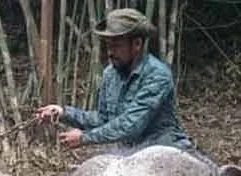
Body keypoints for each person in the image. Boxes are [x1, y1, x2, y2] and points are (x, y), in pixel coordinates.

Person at [32, 8, 196, 153]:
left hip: (164, 150)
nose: (110, 52)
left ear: (137, 44)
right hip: (129, 153)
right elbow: (103, 119)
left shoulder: (158, 75)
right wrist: (62, 112)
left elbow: (130, 125)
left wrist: (85, 138)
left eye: (116, 45)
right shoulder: (110, 73)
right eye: (108, 45)